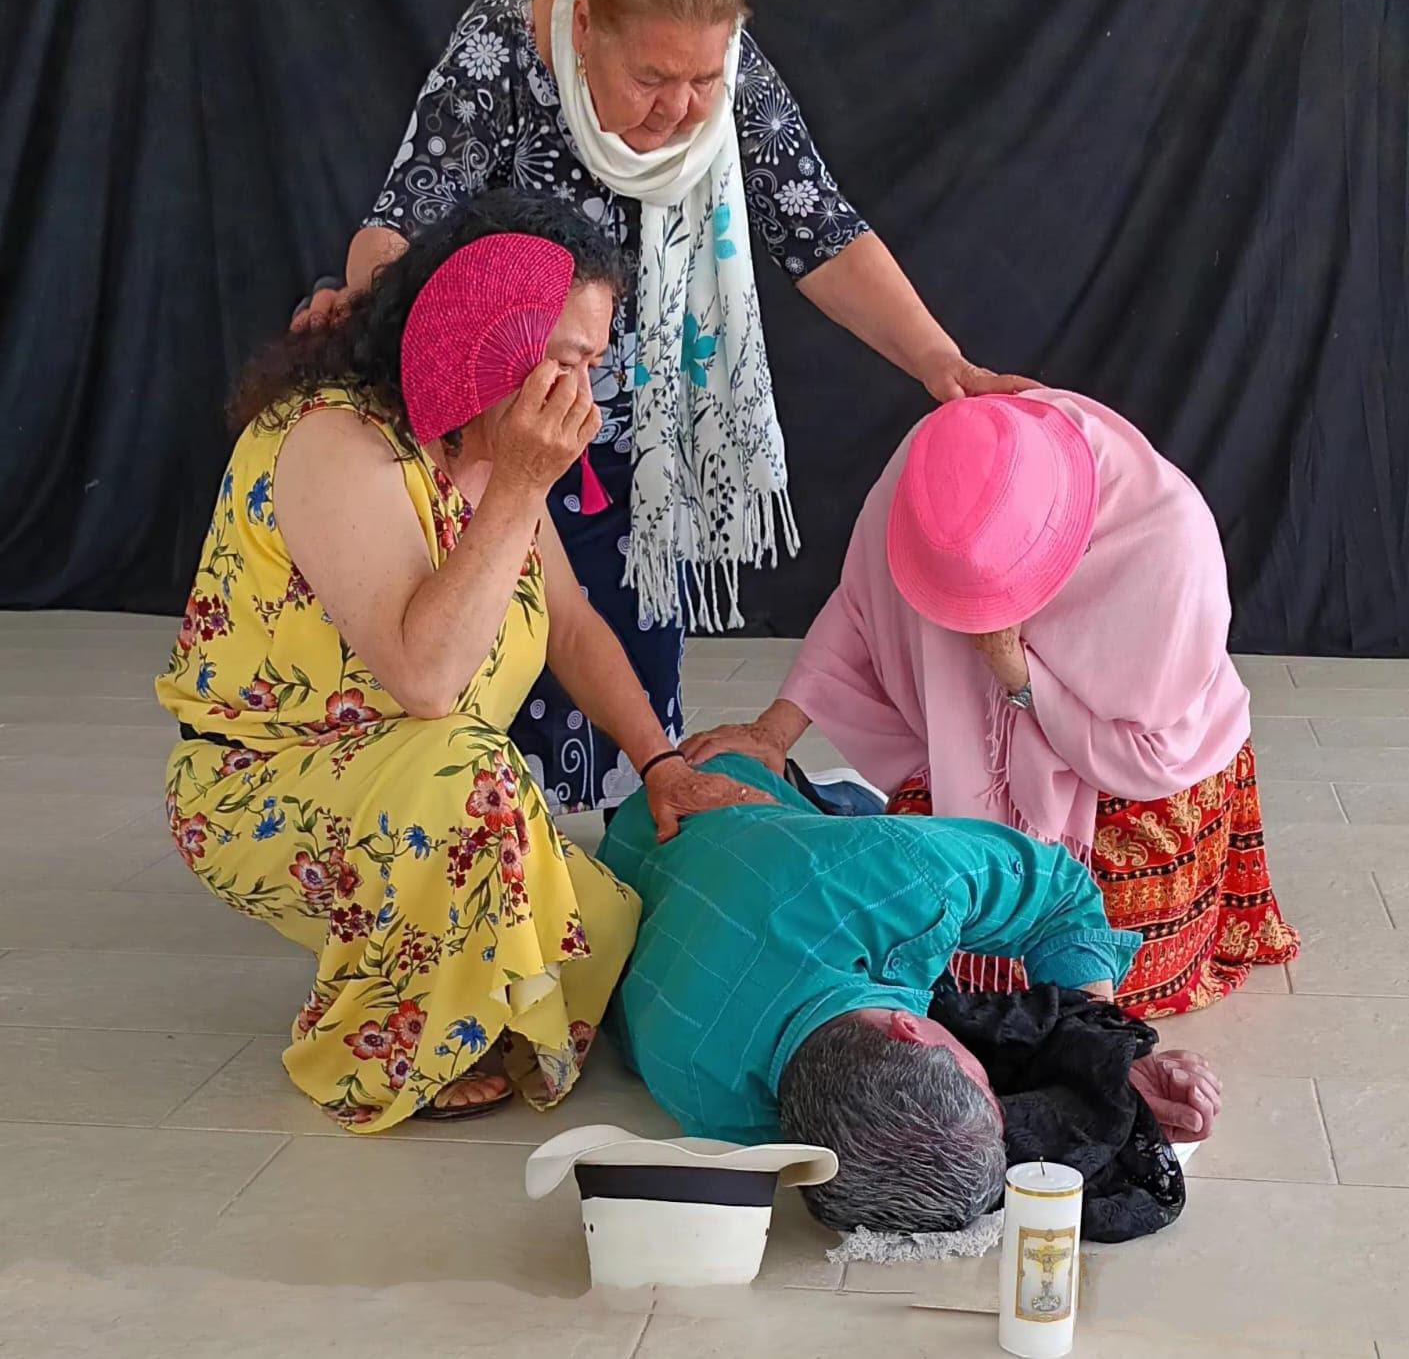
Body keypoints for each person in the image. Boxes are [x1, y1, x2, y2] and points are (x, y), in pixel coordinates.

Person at [292, 0, 1031, 815]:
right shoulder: (504, 41)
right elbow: (403, 221)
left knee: (621, 683)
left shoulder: (729, 72)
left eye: (701, 79)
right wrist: (373, 314)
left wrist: (941, 361)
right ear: (585, 26)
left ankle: (621, 843)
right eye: (651, 77)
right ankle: (481, 856)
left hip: (641, 438)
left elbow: (819, 230)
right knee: (474, 668)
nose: (681, 106)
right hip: (491, 412)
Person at [155, 191, 776, 1134]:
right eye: (563, 359)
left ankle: (441, 974)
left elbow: (570, 625)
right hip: (260, 786)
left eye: (593, 364)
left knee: (607, 930)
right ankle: (373, 1048)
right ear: (484, 332)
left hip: (423, 786)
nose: (581, 391)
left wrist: (660, 762)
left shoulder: (484, 446)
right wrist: (520, 484)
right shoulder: (333, 440)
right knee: (471, 772)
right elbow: (427, 680)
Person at [684, 390, 1300, 1018]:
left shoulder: (1166, 543)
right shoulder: (929, 478)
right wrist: (773, 731)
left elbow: (1147, 751)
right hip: (983, 749)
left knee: (1099, 939)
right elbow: (860, 607)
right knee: (908, 890)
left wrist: (1017, 674)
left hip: (1134, 769)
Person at [596, 753, 1222, 1235]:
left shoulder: (897, 879)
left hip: (704, 802)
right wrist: (1090, 1070)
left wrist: (1102, 1045)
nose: (996, 1083)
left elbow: (1061, 893)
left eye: (988, 1087)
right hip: (669, 824)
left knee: (858, 817)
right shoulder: (714, 1107)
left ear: (910, 1029)